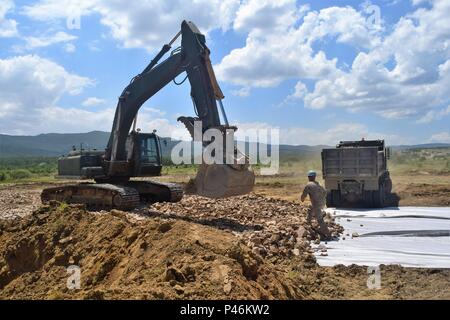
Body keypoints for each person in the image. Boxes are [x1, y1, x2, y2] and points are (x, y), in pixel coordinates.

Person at [300, 170, 331, 239]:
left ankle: (328, 234)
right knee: (310, 209)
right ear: (314, 177)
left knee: (319, 219)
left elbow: (304, 195)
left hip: (316, 204)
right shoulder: (318, 184)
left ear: (309, 177)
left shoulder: (309, 185)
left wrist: (302, 199)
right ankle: (308, 223)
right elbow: (325, 192)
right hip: (321, 203)